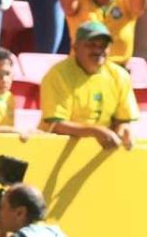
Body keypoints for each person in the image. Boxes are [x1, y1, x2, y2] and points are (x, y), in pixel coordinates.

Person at [38, 21, 139, 149]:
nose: (97, 50)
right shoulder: (58, 75)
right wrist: (94, 132)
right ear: (75, 47)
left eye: (103, 46)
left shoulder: (119, 75)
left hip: (99, 150)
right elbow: (56, 124)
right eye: (91, 45)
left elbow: (124, 119)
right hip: (56, 149)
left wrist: (124, 130)